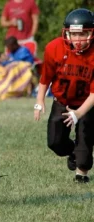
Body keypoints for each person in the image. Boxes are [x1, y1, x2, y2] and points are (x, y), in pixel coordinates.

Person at [34, 8, 94, 183]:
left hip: (87, 104)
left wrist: (79, 114)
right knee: (55, 143)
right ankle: (73, 151)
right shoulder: (54, 48)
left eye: (83, 33)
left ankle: (81, 175)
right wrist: (39, 101)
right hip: (62, 101)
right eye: (74, 34)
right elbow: (45, 78)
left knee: (85, 145)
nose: (78, 39)